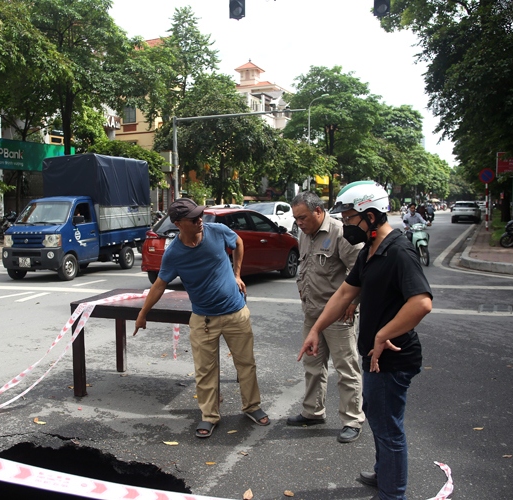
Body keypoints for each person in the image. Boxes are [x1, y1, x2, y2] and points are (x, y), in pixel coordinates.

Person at [298, 181, 432, 500]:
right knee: (378, 419)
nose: (344, 224)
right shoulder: (372, 251)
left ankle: (392, 492)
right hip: (374, 356)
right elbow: (345, 292)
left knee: (389, 431)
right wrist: (317, 328)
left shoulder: (398, 251)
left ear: (370, 216)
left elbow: (422, 302)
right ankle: (384, 471)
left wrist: (385, 333)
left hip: (392, 358)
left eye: (348, 217)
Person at [133, 198, 269, 438]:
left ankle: (252, 406)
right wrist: (143, 314)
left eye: (200, 215)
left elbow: (237, 242)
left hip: (235, 312)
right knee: (205, 370)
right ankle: (209, 415)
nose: (200, 221)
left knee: (246, 363)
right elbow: (159, 284)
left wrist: (237, 273)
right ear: (178, 223)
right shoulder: (174, 252)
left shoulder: (217, 232)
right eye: (193, 218)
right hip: (203, 319)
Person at [287, 192, 365, 444]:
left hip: (338, 315)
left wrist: (353, 302)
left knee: (346, 367)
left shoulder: (341, 233)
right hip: (312, 313)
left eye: (303, 217)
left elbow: (360, 270)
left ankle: (352, 420)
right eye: (296, 218)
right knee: (312, 365)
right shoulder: (303, 234)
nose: (299, 223)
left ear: (319, 211)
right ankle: (313, 411)